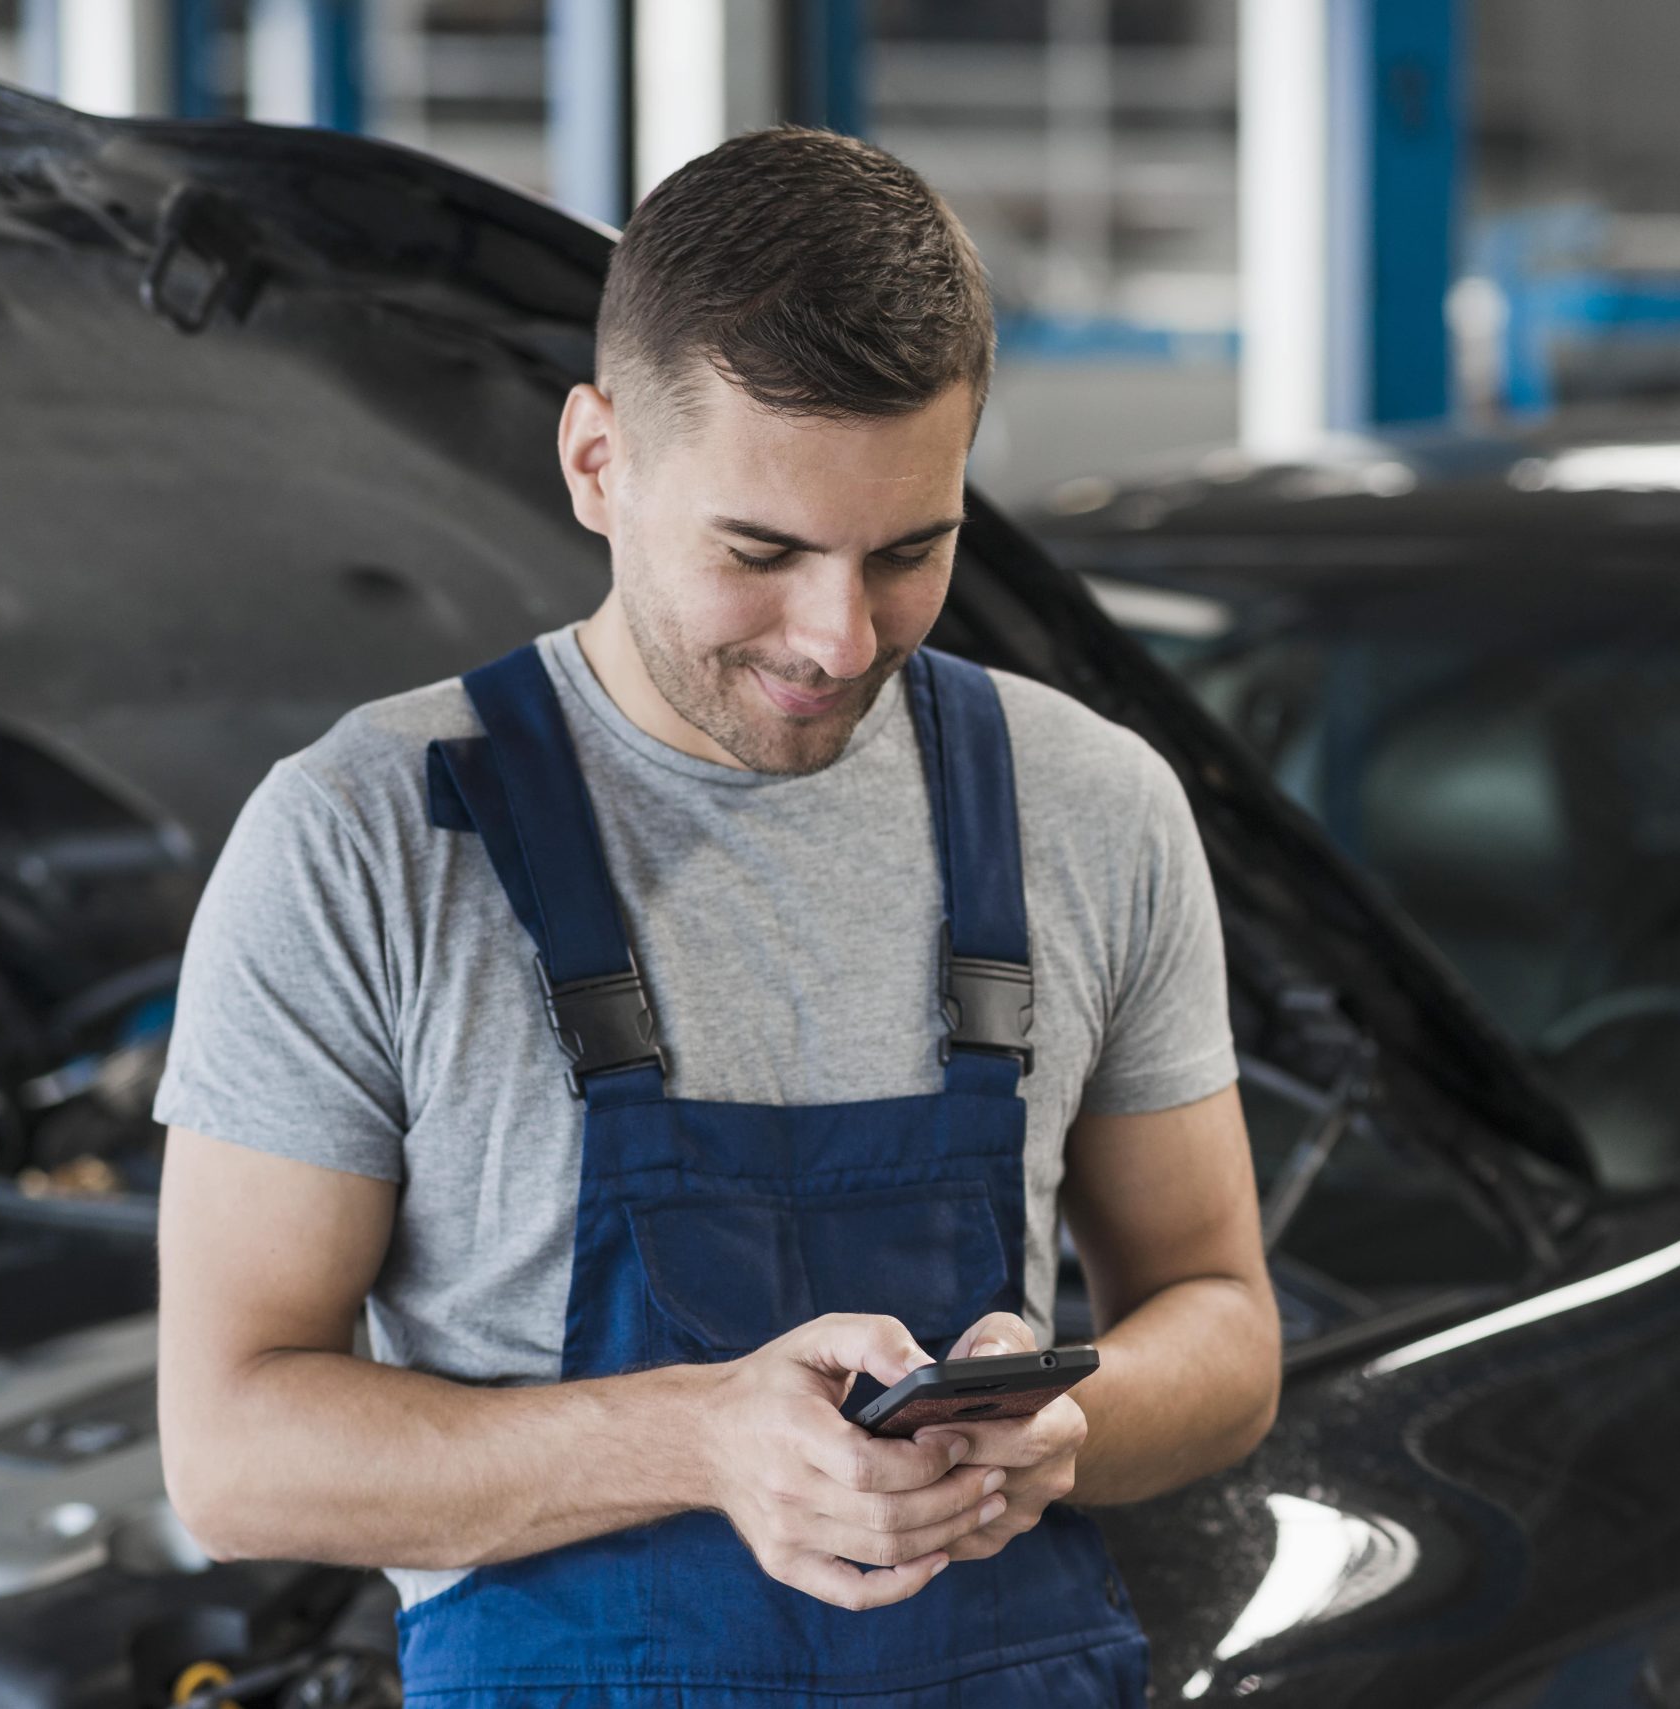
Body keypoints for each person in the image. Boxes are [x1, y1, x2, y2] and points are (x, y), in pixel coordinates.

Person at [152, 126, 1281, 1706]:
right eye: (762, 552)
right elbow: (231, 1454)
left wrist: (1072, 1426)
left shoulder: (1092, 808)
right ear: (597, 460)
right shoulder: (363, 841)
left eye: (912, 549)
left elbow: (1221, 1326)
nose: (837, 634)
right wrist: (700, 1438)